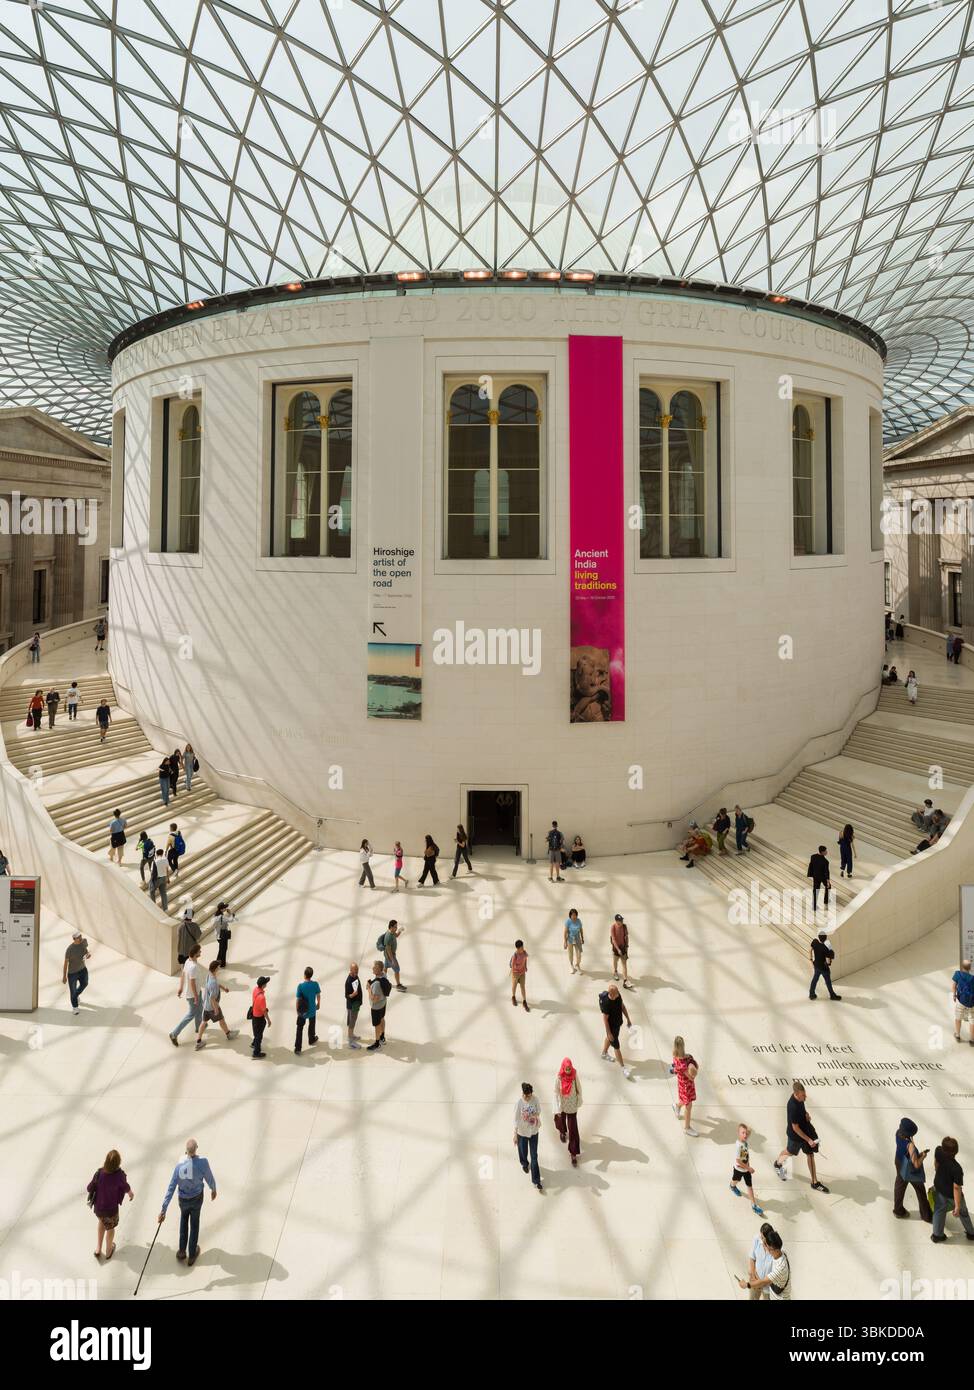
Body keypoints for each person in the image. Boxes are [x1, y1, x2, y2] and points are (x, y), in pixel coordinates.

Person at [157, 1138, 217, 1266]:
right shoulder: (203, 1163)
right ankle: (192, 1253)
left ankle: (182, 1251)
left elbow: (171, 1187)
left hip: (183, 1200)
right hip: (196, 1198)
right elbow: (209, 1177)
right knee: (194, 1224)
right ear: (196, 1149)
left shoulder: (179, 1167)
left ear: (186, 1150)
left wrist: (164, 1209)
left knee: (183, 1221)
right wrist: (213, 1188)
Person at [774, 1081, 829, 1192]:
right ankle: (778, 1163)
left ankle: (814, 1182)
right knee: (789, 1152)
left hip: (805, 1131)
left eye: (805, 1094)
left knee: (810, 1154)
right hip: (796, 1137)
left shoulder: (800, 1100)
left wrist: (806, 1114)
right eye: (803, 1095)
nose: (805, 1096)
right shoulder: (792, 1106)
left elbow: (802, 1110)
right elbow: (795, 1128)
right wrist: (808, 1140)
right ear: (797, 1093)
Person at [87, 1149, 133, 1260]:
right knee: (110, 1228)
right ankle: (108, 1250)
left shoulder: (99, 1173)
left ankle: (98, 1248)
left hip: (99, 1208)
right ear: (118, 1163)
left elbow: (89, 1188)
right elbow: (125, 1186)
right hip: (111, 1210)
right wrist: (130, 1193)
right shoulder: (119, 1176)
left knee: (102, 1222)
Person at [930, 1136, 974, 1242]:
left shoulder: (938, 1151)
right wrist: (957, 1206)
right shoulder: (957, 1169)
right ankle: (971, 1233)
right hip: (951, 1194)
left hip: (939, 1188)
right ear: (956, 1152)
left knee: (939, 1211)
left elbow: (936, 1163)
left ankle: (937, 1235)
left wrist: (939, 1172)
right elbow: (956, 1188)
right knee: (963, 1212)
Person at [893, 1118, 931, 1222]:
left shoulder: (897, 1133)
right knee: (920, 1190)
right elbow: (916, 1164)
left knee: (899, 1186)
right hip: (909, 1169)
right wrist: (923, 1156)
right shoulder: (910, 1145)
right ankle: (926, 1216)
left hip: (898, 1161)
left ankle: (898, 1210)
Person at [737, 1228, 790, 1300]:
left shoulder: (780, 1268)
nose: (766, 1249)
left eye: (768, 1248)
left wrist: (746, 1284)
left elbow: (763, 1282)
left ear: (775, 1250)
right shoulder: (782, 1253)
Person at [195, 961, 237, 1049]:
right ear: (216, 969)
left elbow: (214, 986)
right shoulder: (213, 982)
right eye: (218, 967)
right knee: (221, 1020)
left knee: (203, 1022)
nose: (219, 968)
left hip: (206, 1005)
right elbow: (212, 998)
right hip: (212, 1007)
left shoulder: (209, 975)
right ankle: (229, 1034)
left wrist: (223, 988)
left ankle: (198, 1041)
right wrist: (216, 1009)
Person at [168, 944, 203, 1045]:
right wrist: (196, 997)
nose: (201, 952)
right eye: (199, 951)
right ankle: (174, 1034)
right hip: (193, 995)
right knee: (191, 1014)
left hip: (195, 993)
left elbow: (183, 974)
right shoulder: (193, 967)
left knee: (200, 1009)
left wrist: (180, 988)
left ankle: (198, 1027)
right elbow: (192, 983)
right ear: (196, 953)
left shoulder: (188, 961)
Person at [513, 1082, 543, 1191]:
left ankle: (536, 1181)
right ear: (523, 1093)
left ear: (531, 1093)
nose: (527, 1097)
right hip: (522, 1132)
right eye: (525, 1095)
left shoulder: (535, 1099)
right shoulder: (519, 1103)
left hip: (534, 1131)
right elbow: (515, 1119)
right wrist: (515, 1134)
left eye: (529, 1095)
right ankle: (524, 1163)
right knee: (523, 1150)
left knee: (534, 1156)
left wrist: (533, 1115)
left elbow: (539, 1110)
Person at [553, 1059, 582, 1166]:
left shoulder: (574, 1075)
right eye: (567, 1069)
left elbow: (579, 1088)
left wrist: (579, 1099)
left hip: (572, 1106)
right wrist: (557, 1106)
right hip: (562, 1104)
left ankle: (573, 1153)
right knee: (560, 1119)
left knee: (573, 1129)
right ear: (563, 1068)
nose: (569, 1070)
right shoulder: (559, 1077)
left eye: (570, 1068)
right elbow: (556, 1091)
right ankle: (562, 1131)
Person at [598, 984, 632, 1077]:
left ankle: (604, 1053)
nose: (618, 995)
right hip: (611, 1026)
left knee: (610, 1039)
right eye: (616, 994)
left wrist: (628, 1019)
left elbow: (622, 1006)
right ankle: (623, 1068)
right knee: (616, 1046)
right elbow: (605, 1019)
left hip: (618, 1024)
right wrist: (609, 1033)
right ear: (611, 995)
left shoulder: (618, 995)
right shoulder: (606, 1003)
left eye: (618, 993)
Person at [730, 1122, 764, 1214]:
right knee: (736, 1180)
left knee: (749, 1186)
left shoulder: (745, 1143)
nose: (745, 1135)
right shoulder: (739, 1146)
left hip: (746, 1170)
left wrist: (748, 1166)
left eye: (746, 1133)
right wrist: (749, 1168)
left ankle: (754, 1205)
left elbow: (745, 1156)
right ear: (738, 1133)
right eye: (743, 1133)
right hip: (739, 1169)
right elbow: (738, 1161)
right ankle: (732, 1186)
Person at [672, 1035, 699, 1136]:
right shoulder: (682, 1062)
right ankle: (687, 1128)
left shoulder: (676, 1057)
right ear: (683, 1045)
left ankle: (676, 1106)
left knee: (684, 1100)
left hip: (682, 1084)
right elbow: (691, 1077)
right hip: (686, 1085)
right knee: (689, 1105)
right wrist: (694, 1071)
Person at [741, 1222, 776, 1301]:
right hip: (755, 1280)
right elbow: (752, 1258)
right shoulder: (757, 1239)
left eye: (764, 1238)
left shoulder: (774, 1248)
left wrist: (763, 1283)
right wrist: (753, 1276)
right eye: (761, 1236)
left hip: (768, 1286)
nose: (762, 1239)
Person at [294, 965, 320, 1054]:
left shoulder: (300, 986)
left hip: (303, 1010)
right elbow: (318, 995)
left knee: (300, 1028)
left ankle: (298, 1048)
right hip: (312, 1009)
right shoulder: (315, 984)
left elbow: (298, 999)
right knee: (312, 1024)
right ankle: (311, 1039)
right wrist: (318, 1004)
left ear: (304, 975)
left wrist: (297, 1009)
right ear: (311, 975)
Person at [809, 929, 841, 1001]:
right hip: (824, 968)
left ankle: (811, 994)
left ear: (818, 937)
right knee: (828, 982)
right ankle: (832, 995)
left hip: (816, 965)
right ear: (826, 938)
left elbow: (810, 950)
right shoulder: (825, 948)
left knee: (815, 979)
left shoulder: (815, 942)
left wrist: (811, 960)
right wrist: (829, 963)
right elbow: (828, 959)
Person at [63, 929, 90, 1014]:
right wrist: (64, 976)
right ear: (74, 939)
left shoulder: (84, 942)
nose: (80, 938)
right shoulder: (69, 949)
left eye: (80, 936)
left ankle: (76, 995)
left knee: (85, 984)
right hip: (72, 973)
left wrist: (88, 955)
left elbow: (86, 952)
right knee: (73, 991)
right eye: (78, 937)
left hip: (83, 969)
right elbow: (65, 963)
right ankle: (75, 1007)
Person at [366, 961, 391, 1051]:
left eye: (375, 967)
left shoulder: (376, 984)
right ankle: (382, 1037)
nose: (372, 968)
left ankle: (377, 1044)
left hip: (376, 1007)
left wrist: (369, 988)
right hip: (383, 1003)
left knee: (377, 1025)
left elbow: (374, 999)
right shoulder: (384, 975)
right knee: (382, 1018)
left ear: (379, 970)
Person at [952, 958, 974, 1045]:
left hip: (960, 1000)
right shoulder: (973, 978)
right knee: (972, 1020)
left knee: (958, 1017)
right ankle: (972, 1040)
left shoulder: (957, 974)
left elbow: (953, 986)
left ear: (962, 967)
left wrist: (954, 995)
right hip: (971, 1003)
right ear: (970, 968)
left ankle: (957, 1035)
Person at [380, 919, 406, 991]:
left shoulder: (392, 932)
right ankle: (398, 985)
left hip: (387, 956)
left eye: (396, 926)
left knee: (385, 968)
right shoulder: (388, 936)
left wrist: (400, 931)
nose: (396, 928)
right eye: (395, 927)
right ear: (391, 927)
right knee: (397, 969)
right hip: (390, 956)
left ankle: (383, 982)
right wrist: (393, 960)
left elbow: (396, 935)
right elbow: (388, 950)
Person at [250, 975, 270, 1059]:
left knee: (256, 1032)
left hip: (254, 1014)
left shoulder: (255, 989)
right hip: (259, 1018)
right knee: (259, 1035)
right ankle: (256, 1053)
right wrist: (268, 1020)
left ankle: (254, 1043)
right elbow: (264, 1011)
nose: (267, 984)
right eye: (266, 983)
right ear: (263, 985)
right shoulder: (262, 997)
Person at [806, 845, 831, 913]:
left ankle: (814, 905)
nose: (826, 852)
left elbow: (811, 865)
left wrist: (811, 874)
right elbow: (826, 872)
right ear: (822, 852)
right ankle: (826, 901)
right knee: (828, 886)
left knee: (816, 890)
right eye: (825, 851)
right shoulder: (825, 861)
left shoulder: (813, 856)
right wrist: (828, 881)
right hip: (822, 877)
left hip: (815, 876)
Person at [610, 913, 631, 987]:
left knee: (624, 964)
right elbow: (613, 939)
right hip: (616, 948)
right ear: (616, 921)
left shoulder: (624, 927)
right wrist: (617, 949)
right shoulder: (613, 927)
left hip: (623, 948)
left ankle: (625, 980)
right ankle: (615, 972)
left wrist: (627, 946)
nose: (621, 922)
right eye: (619, 921)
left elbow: (626, 937)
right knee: (615, 961)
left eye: (622, 920)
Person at [345, 961, 363, 1048]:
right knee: (351, 1022)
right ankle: (350, 1041)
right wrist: (353, 995)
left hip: (356, 1004)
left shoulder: (355, 976)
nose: (356, 971)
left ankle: (352, 1035)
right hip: (352, 1006)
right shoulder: (348, 981)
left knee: (354, 1020)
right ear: (350, 970)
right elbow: (346, 995)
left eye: (357, 969)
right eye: (355, 970)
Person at [213, 902, 234, 968]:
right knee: (224, 949)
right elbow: (231, 920)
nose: (226, 908)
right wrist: (231, 914)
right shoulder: (222, 917)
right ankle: (222, 964)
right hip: (223, 935)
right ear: (221, 909)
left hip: (218, 934)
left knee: (221, 949)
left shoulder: (216, 915)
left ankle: (218, 961)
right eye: (225, 907)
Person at [510, 939, 529, 1011]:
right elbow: (512, 965)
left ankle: (524, 1001)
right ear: (518, 948)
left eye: (523, 947)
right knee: (514, 986)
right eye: (521, 947)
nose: (523, 948)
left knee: (523, 987)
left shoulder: (524, 953)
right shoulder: (515, 955)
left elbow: (525, 959)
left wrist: (525, 966)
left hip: (522, 973)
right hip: (516, 973)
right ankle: (513, 997)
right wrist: (514, 974)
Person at [563, 909, 584, 974]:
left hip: (577, 939)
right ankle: (571, 965)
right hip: (570, 939)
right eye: (572, 915)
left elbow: (581, 930)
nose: (574, 916)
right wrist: (565, 942)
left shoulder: (578, 921)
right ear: (570, 915)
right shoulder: (568, 922)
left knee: (579, 954)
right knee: (571, 954)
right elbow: (565, 932)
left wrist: (582, 938)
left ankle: (577, 965)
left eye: (575, 915)